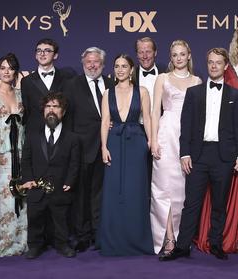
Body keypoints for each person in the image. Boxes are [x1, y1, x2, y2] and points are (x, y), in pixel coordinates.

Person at [160, 48, 238, 261]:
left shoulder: (235, 95)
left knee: (219, 203)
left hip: (223, 156)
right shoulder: (194, 92)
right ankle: (182, 246)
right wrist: (185, 153)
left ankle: (216, 244)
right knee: (191, 204)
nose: (214, 66)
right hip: (198, 155)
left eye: (218, 62)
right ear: (207, 64)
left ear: (226, 66)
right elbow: (185, 125)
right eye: (210, 62)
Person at [196, 21, 238, 254]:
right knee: (222, 180)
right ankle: (220, 235)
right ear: (236, 37)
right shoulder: (227, 64)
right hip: (227, 131)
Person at [97, 54, 153, 256]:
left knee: (135, 191)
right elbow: (104, 121)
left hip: (136, 142)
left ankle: (137, 240)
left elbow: (147, 118)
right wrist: (104, 147)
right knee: (113, 191)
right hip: (113, 142)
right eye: (117, 66)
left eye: (124, 66)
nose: (120, 69)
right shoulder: (107, 93)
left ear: (131, 70)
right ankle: (113, 241)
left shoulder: (143, 91)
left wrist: (150, 142)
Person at [149, 40, 202, 255]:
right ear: (170, 58)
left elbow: (200, 115)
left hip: (188, 137)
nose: (178, 58)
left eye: (182, 54)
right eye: (174, 55)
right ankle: (168, 237)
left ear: (189, 55)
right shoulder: (162, 78)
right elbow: (154, 111)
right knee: (163, 188)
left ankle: (183, 237)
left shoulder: (197, 80)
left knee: (183, 189)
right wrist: (153, 140)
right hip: (166, 133)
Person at [63, 47, 114, 252]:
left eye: (96, 62)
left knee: (102, 194)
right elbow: (67, 121)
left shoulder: (112, 84)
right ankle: (83, 235)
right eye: (88, 62)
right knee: (82, 195)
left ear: (103, 64)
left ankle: (99, 233)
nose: (92, 66)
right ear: (83, 64)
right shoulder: (72, 85)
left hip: (109, 147)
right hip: (82, 148)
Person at [21, 92, 80, 259]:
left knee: (60, 219)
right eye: (48, 106)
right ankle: (34, 245)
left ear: (63, 111)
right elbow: (26, 160)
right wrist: (28, 179)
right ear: (43, 110)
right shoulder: (32, 136)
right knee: (35, 218)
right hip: (36, 188)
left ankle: (62, 244)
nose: (51, 110)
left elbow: (75, 163)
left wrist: (70, 180)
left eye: (56, 106)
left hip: (61, 187)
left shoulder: (72, 138)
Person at [0, 53, 29, 256]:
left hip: (21, 154)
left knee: (21, 198)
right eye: (3, 68)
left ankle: (21, 238)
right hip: (1, 155)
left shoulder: (22, 94)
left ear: (16, 72)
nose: (6, 72)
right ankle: (5, 238)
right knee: (3, 199)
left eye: (10, 68)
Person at [21, 38, 75, 135]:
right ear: (35, 55)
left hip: (62, 133)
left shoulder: (67, 79)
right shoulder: (26, 81)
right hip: (36, 134)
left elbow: (70, 108)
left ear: (55, 55)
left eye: (47, 51)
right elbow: (27, 112)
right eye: (39, 51)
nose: (42, 54)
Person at [133, 37, 166, 107]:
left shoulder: (166, 73)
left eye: (148, 52)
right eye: (141, 52)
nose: (145, 56)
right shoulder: (130, 75)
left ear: (155, 53)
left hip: (162, 117)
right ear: (137, 54)